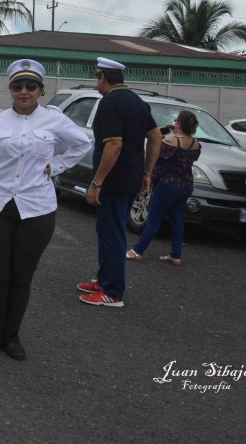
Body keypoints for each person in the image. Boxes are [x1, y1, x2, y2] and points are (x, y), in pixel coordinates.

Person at [0, 59, 92, 360]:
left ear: (41, 90)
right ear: (10, 89)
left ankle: (12, 335)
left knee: (22, 276)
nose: (24, 92)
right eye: (17, 86)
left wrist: (57, 165)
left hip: (37, 209)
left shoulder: (54, 119)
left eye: (31, 86)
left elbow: (82, 144)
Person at [79, 57, 162, 308]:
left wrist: (96, 182)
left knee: (112, 234)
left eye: (97, 78)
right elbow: (156, 138)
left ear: (103, 78)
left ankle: (113, 292)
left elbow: (114, 145)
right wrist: (147, 173)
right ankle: (104, 279)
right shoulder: (138, 102)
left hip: (114, 181)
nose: (97, 82)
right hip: (132, 177)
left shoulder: (109, 102)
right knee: (108, 230)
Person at [127, 110, 201, 266]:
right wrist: (176, 131)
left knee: (154, 219)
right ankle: (176, 255)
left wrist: (168, 130)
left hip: (167, 184)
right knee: (177, 219)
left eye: (176, 121)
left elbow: (155, 137)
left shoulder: (171, 141)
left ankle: (137, 251)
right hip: (186, 185)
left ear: (179, 123)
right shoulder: (196, 144)